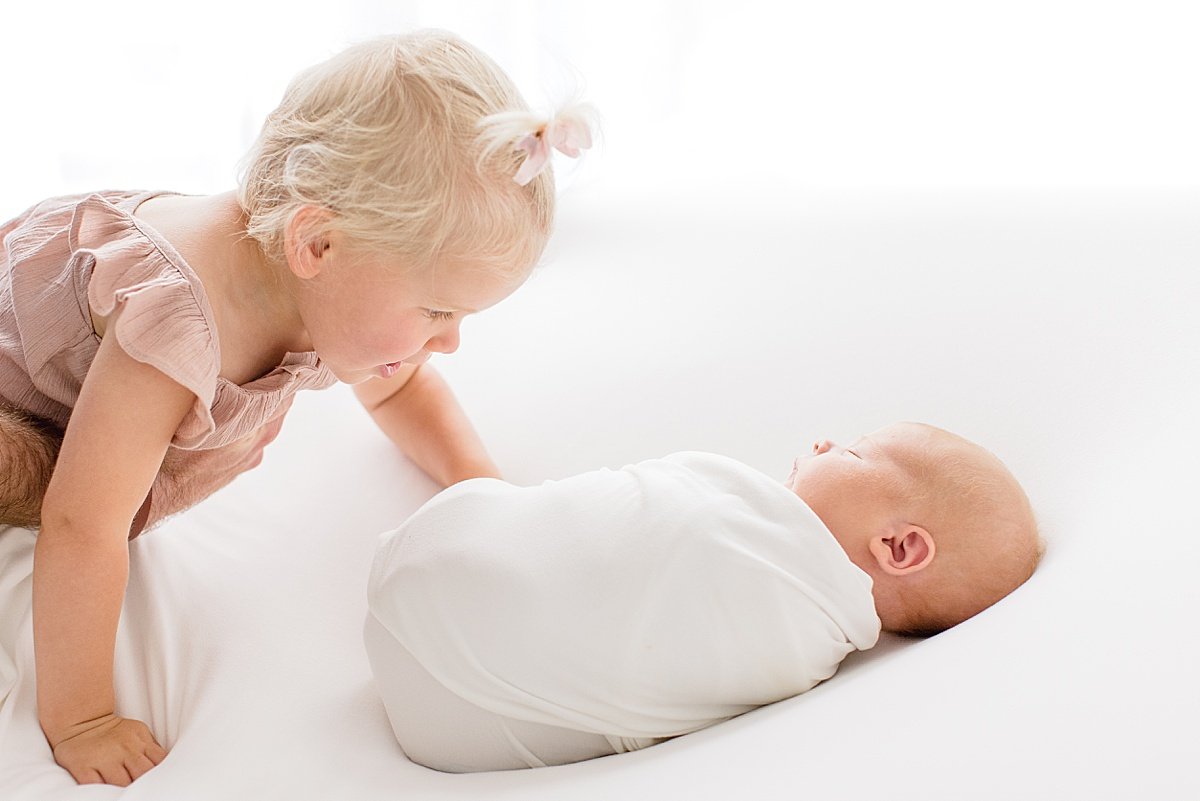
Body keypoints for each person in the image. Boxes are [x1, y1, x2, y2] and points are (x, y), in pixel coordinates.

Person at [0, 31, 593, 786]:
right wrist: (81, 718)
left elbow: (402, 385)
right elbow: (84, 526)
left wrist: (479, 484)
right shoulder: (176, 325)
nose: (447, 344)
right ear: (316, 243)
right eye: (437, 310)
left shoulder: (320, 292)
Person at [364, 422, 1044, 772]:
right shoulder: (800, 650)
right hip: (450, 725)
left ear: (898, 548)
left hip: (440, 596)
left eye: (855, 453)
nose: (822, 442)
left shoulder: (778, 600)